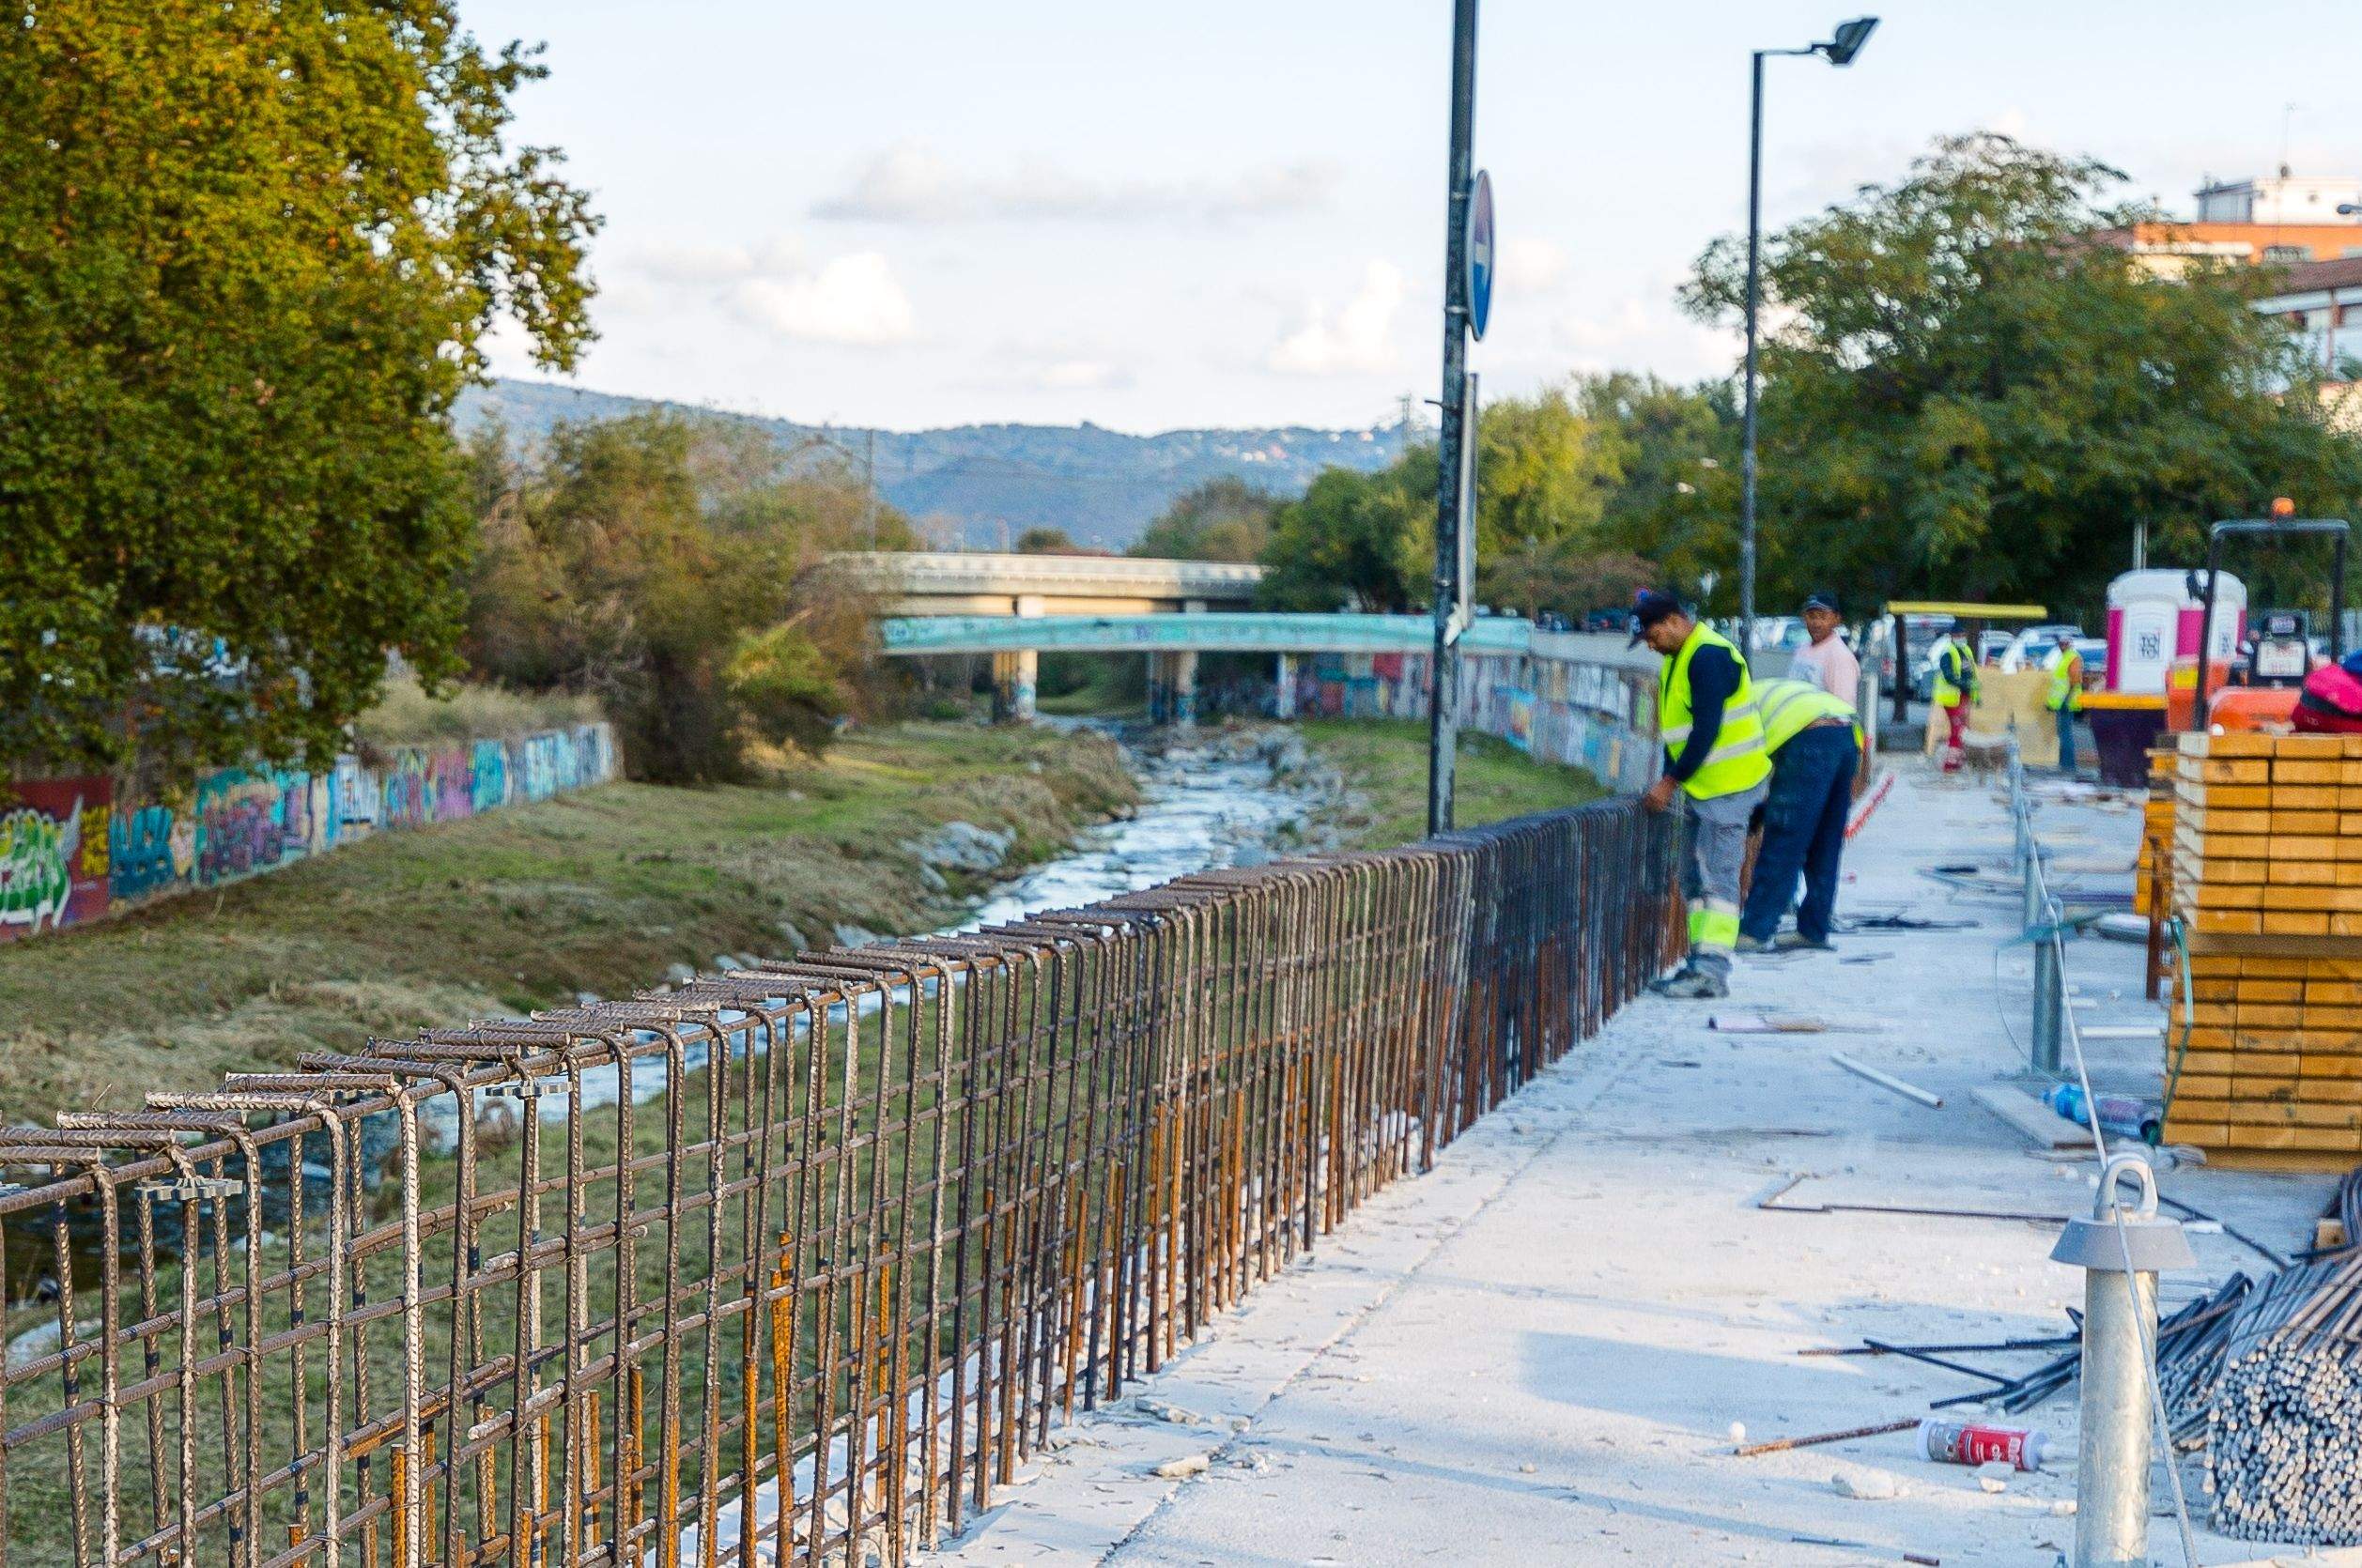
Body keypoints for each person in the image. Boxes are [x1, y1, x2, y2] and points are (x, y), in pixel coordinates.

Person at [1634, 591, 1772, 999]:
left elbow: (1706, 731)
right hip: (1706, 788)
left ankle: (1712, 971)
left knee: (1718, 880)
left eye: (1653, 634)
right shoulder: (1679, 660)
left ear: (1676, 620)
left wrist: (1668, 782)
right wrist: (1670, 775)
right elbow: (1677, 734)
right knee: (1695, 879)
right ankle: (1698, 962)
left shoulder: (1709, 656)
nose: (1650, 643)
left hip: (1731, 787)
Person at [1737, 678, 1862, 953]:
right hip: (1846, 736)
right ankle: (1814, 930)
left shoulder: (1735, 712)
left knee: (1783, 841)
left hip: (1810, 738)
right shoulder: (1758, 693)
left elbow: (1747, 771)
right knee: (1824, 843)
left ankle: (1755, 930)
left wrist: (1757, 812)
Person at [1786, 590, 1860, 702]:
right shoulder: (1802, 648)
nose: (1816, 623)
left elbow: (1842, 711)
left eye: (1822, 616)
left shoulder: (1840, 657)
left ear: (1836, 619)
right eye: (1811, 616)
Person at [1928, 624, 1977, 773]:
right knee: (1957, 730)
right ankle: (1950, 764)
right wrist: (1964, 683)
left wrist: (1975, 694)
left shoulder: (1966, 651)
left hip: (1963, 696)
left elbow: (1972, 673)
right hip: (1951, 698)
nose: (1962, 638)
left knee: (1963, 729)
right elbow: (1948, 676)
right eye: (1959, 635)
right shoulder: (1948, 653)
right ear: (1952, 637)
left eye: (1963, 635)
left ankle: (1958, 760)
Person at [2046, 630, 2085, 773]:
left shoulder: (2072, 658)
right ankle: (2064, 763)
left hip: (2067, 703)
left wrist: (2065, 701)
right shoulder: (2065, 657)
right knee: (2063, 734)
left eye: (2063, 643)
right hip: (2062, 702)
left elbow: (2074, 681)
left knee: (2066, 734)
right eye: (2060, 643)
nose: (2061, 646)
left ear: (2068, 643)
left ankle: (2068, 765)